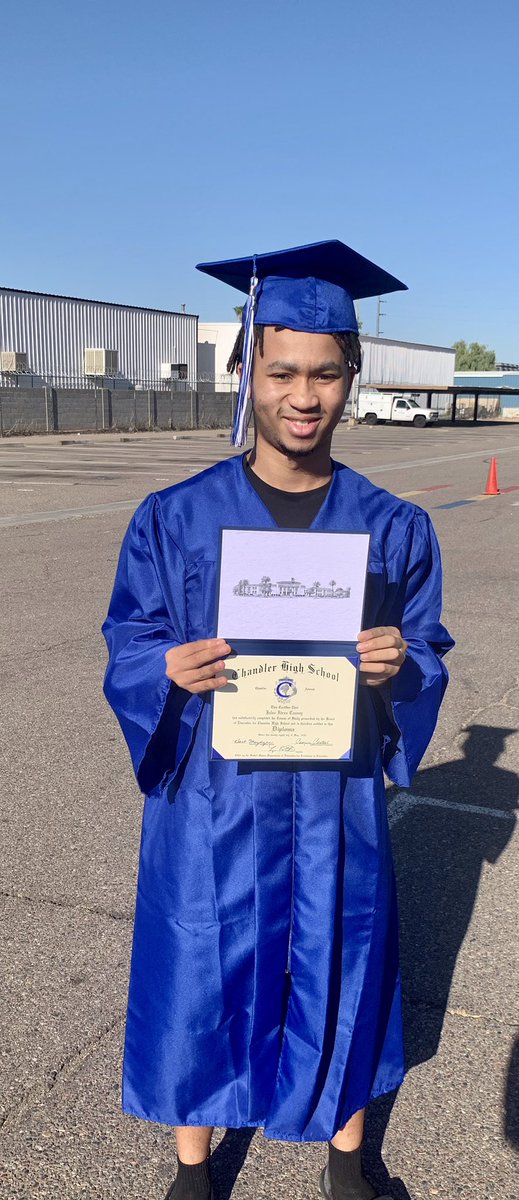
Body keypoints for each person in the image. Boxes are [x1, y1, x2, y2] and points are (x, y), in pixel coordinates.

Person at [101, 240, 454, 1200]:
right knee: (199, 962)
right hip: (214, 796)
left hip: (333, 794)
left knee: (346, 958)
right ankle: (193, 1165)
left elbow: (427, 648)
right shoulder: (173, 518)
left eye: (326, 374)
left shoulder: (392, 526)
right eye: (282, 370)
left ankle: (347, 1154)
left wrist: (400, 665)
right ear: (247, 370)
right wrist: (162, 667)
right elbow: (129, 640)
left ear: (353, 377)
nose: (304, 396)